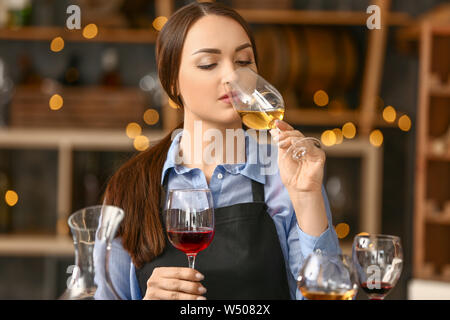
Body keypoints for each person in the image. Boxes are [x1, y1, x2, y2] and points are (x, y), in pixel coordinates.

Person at [94, 1, 340, 300]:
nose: (231, 77)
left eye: (244, 61)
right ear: (172, 81)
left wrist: (306, 197)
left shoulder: (286, 176)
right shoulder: (128, 189)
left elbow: (326, 296)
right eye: (209, 64)